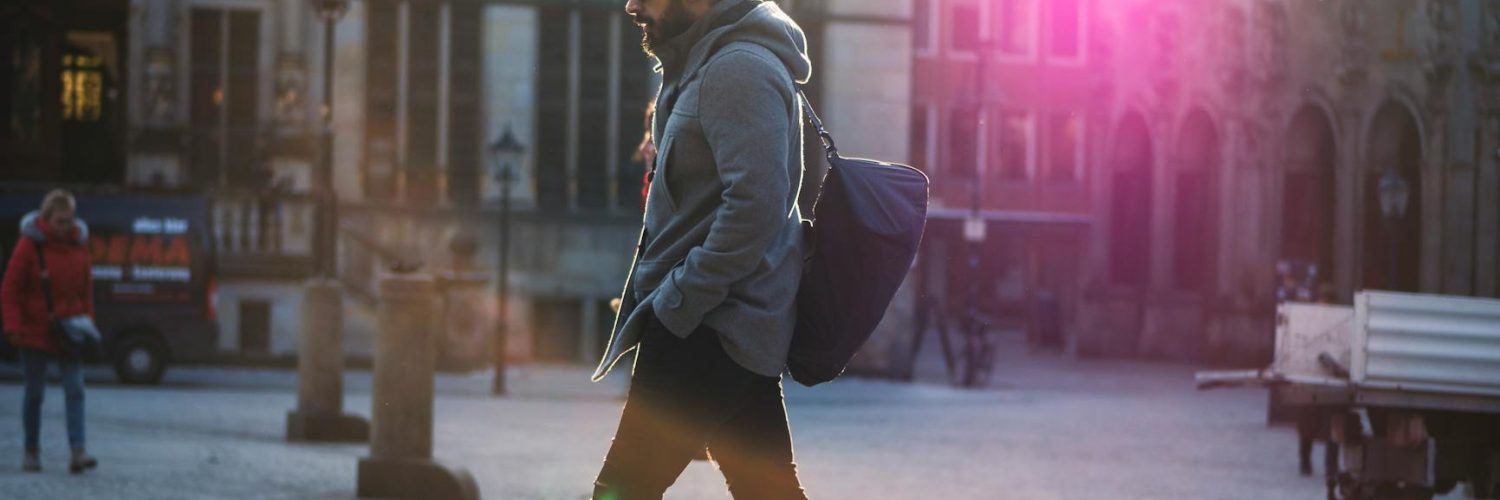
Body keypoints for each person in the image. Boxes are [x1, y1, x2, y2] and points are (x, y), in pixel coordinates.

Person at [592, 0, 812, 498]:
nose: (632, 5)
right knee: (768, 491)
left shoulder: (738, 69)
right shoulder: (714, 64)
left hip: (705, 327)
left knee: (622, 490)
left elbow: (756, 205)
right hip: (727, 324)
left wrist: (681, 300)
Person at [2, 189, 99, 474]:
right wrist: (13, 326)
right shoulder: (29, 245)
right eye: (59, 221)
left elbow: (86, 290)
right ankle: (31, 451)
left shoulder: (79, 245)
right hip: (34, 330)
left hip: (69, 329)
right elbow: (10, 289)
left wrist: (88, 323)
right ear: (46, 219)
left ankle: (77, 451)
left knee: (76, 389)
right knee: (34, 393)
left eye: (69, 220)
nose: (65, 227)